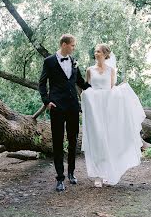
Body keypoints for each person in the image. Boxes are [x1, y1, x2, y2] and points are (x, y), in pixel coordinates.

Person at [81, 43, 145, 187]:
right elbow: (87, 88)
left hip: (108, 109)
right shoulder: (89, 70)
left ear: (105, 54)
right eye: (95, 51)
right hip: (94, 109)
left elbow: (112, 90)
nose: (96, 53)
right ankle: (97, 174)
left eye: (98, 51)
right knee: (96, 139)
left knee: (108, 139)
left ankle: (108, 173)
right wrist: (86, 96)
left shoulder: (111, 70)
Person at [39, 34, 91, 192]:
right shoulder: (49, 61)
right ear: (64, 44)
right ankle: (59, 177)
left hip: (73, 107)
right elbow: (42, 83)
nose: (74, 48)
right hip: (57, 107)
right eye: (72, 45)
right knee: (57, 141)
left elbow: (81, 82)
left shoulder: (74, 61)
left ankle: (71, 172)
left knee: (73, 140)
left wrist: (99, 89)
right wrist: (47, 101)